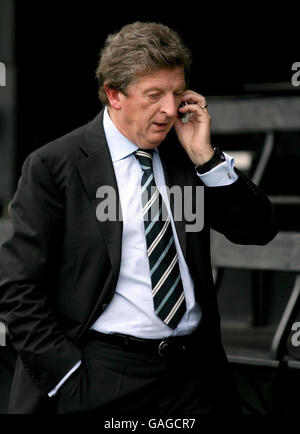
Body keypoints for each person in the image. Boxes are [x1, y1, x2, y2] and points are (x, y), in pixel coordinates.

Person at [0, 21, 278, 415]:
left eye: (177, 93)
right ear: (115, 94)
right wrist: (67, 376)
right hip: (105, 375)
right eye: (154, 95)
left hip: (194, 377)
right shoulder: (53, 165)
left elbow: (259, 230)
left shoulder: (186, 156)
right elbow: (18, 286)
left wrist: (207, 159)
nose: (169, 109)